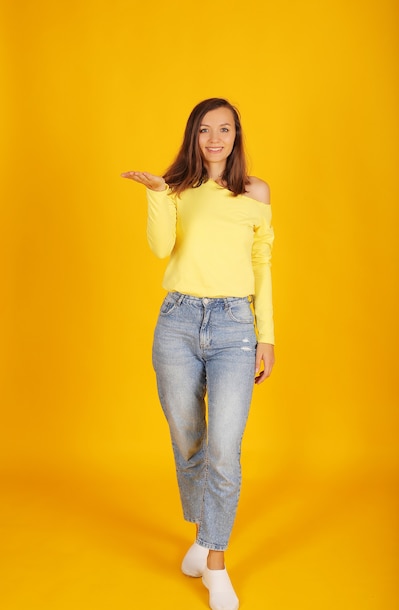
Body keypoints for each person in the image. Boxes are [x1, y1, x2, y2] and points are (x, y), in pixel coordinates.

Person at [121, 97, 275, 610]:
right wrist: (158, 195)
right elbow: (161, 248)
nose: (215, 138)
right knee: (188, 438)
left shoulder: (255, 192)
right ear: (194, 135)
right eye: (205, 129)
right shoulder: (180, 188)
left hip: (235, 327)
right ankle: (204, 534)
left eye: (225, 129)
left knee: (224, 448)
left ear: (236, 136)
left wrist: (266, 336)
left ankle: (214, 562)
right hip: (179, 323)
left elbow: (262, 264)